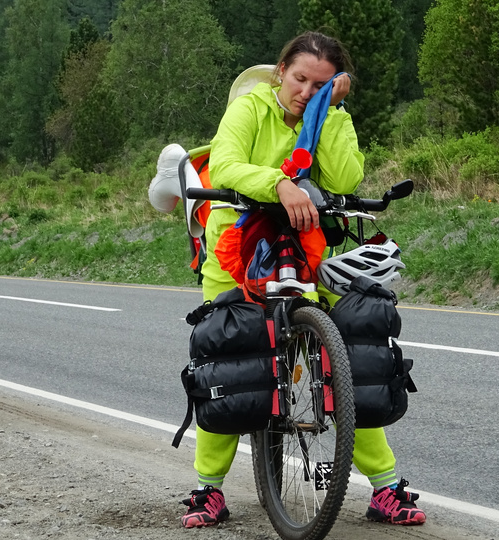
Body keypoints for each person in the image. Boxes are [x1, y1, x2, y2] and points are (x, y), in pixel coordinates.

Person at [180, 31, 427, 529]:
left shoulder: (331, 115)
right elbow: (226, 164)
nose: (305, 92)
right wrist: (280, 183)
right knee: (230, 362)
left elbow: (344, 180)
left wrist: (329, 115)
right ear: (280, 72)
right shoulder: (250, 109)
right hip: (237, 251)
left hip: (301, 246)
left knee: (341, 360)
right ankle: (207, 489)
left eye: (320, 85)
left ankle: (385, 488)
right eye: (299, 80)